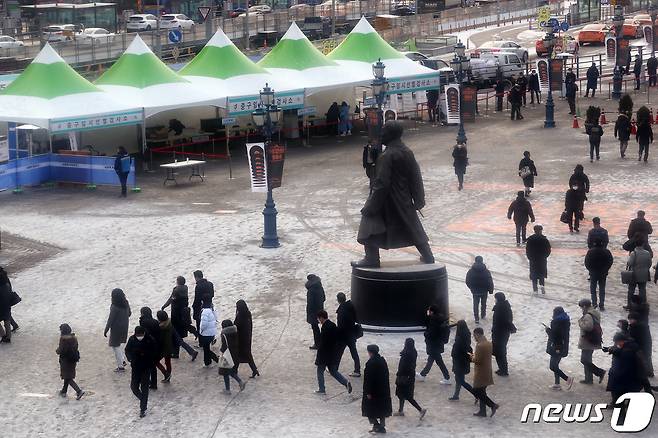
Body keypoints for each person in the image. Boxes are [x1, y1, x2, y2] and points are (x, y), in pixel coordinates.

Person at [351, 121, 434, 268]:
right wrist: (419, 199)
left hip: (387, 200)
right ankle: (428, 256)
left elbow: (381, 184)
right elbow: (416, 176)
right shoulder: (407, 151)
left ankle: (371, 258)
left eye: (383, 132)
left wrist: (371, 206)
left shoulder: (387, 156)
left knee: (369, 222)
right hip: (404, 199)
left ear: (391, 135)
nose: (381, 135)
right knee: (413, 226)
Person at [315, 310, 352, 395]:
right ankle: (345, 382)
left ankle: (322, 389)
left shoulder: (324, 328)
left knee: (320, 371)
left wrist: (318, 354)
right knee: (333, 371)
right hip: (332, 354)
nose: (318, 320)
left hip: (324, 355)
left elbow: (323, 343)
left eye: (318, 318)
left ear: (321, 318)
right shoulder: (332, 325)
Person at [161, 276, 198, 361]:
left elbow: (171, 300)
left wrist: (163, 306)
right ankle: (195, 334)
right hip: (184, 314)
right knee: (180, 332)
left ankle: (182, 352)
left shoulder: (176, 290)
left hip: (176, 315)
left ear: (178, 282)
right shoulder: (185, 288)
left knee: (175, 335)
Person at [605, 333, 645, 411]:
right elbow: (619, 351)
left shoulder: (628, 351)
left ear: (621, 341)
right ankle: (618, 403)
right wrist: (611, 349)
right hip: (631, 375)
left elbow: (625, 363)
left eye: (617, 342)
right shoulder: (629, 346)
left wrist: (617, 374)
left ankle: (618, 406)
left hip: (629, 376)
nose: (616, 344)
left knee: (618, 389)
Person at [125, 326, 158, 418]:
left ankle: (143, 408)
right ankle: (143, 399)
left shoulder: (150, 340)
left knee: (144, 388)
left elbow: (155, 351)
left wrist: (147, 356)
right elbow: (127, 350)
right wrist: (130, 358)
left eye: (141, 335)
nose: (139, 336)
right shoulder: (132, 339)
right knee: (134, 387)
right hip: (135, 367)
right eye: (138, 335)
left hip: (146, 367)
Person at [393, 338, 427, 419]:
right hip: (409, 377)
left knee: (407, 396)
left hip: (404, 377)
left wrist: (399, 374)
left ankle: (420, 410)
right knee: (402, 395)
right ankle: (400, 410)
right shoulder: (413, 353)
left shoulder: (406, 354)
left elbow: (403, 367)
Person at [362, 344, 392, 434]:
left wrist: (368, 391)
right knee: (382, 410)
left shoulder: (370, 363)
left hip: (373, 392)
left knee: (369, 409)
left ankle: (376, 425)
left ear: (370, 352)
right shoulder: (382, 361)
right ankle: (381, 426)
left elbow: (368, 379)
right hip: (383, 391)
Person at [470, 327, 499, 417]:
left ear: (478, 334)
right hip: (487, 371)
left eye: (474, 335)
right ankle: (482, 411)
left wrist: (471, 357)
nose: (474, 337)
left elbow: (477, 360)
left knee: (476, 391)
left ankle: (492, 405)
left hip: (480, 372)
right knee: (482, 392)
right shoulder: (488, 343)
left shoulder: (479, 346)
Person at [418, 305, 451, 384]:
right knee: (432, 359)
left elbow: (431, 333)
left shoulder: (434, 320)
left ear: (432, 311)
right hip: (438, 343)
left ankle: (447, 377)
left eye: (429, 311)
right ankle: (423, 374)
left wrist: (426, 334)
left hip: (434, 344)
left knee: (439, 361)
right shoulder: (440, 319)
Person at [577, 299, 606, 385]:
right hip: (593, 339)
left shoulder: (588, 315)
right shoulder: (595, 313)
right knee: (587, 359)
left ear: (585, 306)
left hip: (588, 341)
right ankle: (589, 379)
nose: (582, 309)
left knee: (584, 360)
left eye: (582, 307)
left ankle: (599, 372)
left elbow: (588, 327)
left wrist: (580, 322)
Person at [545, 307, 573, 390]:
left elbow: (555, 335)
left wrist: (548, 330)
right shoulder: (565, 321)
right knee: (555, 365)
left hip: (556, 346)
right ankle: (557, 384)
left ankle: (567, 379)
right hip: (562, 346)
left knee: (553, 366)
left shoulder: (556, 322)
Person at [103, 288, 131, 372]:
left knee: (115, 345)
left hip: (116, 328)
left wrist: (106, 330)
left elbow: (110, 319)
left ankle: (121, 365)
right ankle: (122, 361)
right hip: (125, 326)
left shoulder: (114, 306)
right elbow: (129, 313)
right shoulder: (126, 302)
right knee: (118, 345)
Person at [56, 323, 85, 400]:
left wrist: (57, 351)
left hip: (65, 360)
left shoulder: (63, 339)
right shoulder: (74, 337)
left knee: (68, 377)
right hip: (73, 359)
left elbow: (61, 350)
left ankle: (78, 391)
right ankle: (64, 391)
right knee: (68, 375)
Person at [336, 292, 361, 377]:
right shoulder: (351, 306)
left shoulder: (342, 311)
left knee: (338, 352)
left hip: (344, 336)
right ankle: (357, 370)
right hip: (351, 334)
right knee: (354, 352)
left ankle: (334, 368)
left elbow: (340, 325)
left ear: (338, 300)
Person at [585, 240, 613, 311]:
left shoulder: (590, 252)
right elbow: (610, 261)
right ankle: (601, 304)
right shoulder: (606, 251)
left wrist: (590, 270)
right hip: (603, 273)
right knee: (602, 289)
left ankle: (594, 303)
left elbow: (586, 262)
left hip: (593, 273)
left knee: (593, 289)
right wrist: (606, 269)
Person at [491, 292, 515, 377]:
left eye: (496, 298)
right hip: (503, 333)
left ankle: (503, 370)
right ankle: (502, 368)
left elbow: (503, 322)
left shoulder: (500, 309)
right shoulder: (505, 307)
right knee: (500, 351)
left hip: (500, 333)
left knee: (499, 352)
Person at [449, 320, 474, 400]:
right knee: (459, 380)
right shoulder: (466, 336)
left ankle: (476, 394)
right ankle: (456, 395)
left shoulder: (459, 339)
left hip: (459, 363)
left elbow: (457, 351)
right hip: (463, 362)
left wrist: (453, 355)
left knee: (460, 381)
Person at [218, 319, 246, 393]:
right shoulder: (235, 331)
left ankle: (229, 388)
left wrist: (221, 353)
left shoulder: (224, 334)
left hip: (227, 354)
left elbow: (224, 346)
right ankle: (239, 382)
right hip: (235, 353)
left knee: (225, 372)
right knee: (230, 371)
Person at [465, 256, 494, 323]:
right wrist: (490, 290)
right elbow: (490, 281)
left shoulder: (471, 271)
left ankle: (476, 318)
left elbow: (467, 281)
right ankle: (483, 315)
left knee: (475, 304)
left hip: (475, 291)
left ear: (475, 261)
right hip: (484, 291)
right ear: (482, 261)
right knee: (483, 304)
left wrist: (471, 288)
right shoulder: (486, 271)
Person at [234, 300, 259, 378]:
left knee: (238, 355)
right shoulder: (247, 313)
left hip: (241, 339)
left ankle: (235, 370)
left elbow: (236, 326)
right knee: (247, 355)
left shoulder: (240, 317)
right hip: (247, 338)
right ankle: (254, 370)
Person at [526, 224, 551, 294]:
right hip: (542, 259)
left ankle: (535, 289)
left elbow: (527, 249)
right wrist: (545, 256)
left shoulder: (530, 239)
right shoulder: (544, 239)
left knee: (534, 274)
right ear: (541, 231)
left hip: (533, 259)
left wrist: (530, 257)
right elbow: (548, 249)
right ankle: (542, 285)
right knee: (541, 273)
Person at [138, 307, 160, 390]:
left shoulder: (143, 322)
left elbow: (143, 334)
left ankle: (146, 382)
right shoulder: (155, 321)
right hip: (155, 346)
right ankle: (154, 383)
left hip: (147, 347)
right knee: (153, 366)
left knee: (145, 366)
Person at [628, 312, 653, 378]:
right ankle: (649, 372)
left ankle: (647, 372)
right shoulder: (638, 325)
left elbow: (636, 337)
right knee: (646, 359)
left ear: (635, 319)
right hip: (644, 346)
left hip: (642, 346)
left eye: (631, 319)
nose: (629, 321)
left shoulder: (638, 327)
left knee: (644, 359)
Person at [305, 273, 325, 350]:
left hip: (313, 312)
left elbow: (310, 303)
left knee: (315, 328)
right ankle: (322, 342)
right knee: (322, 327)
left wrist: (309, 312)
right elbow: (324, 298)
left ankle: (317, 343)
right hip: (320, 309)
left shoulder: (311, 290)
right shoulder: (320, 287)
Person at [192, 270, 214, 336]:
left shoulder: (198, 286)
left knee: (200, 323)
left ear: (196, 277)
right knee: (210, 322)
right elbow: (212, 295)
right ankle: (210, 337)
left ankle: (201, 341)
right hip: (210, 305)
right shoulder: (210, 284)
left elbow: (197, 299)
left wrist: (194, 307)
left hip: (200, 307)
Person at [199, 300, 219, 366]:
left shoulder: (205, 311)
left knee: (206, 349)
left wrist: (201, 330)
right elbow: (216, 320)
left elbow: (204, 324)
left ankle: (215, 359)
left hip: (206, 334)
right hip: (212, 333)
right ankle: (207, 361)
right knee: (206, 348)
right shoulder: (212, 310)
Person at [155, 310, 173, 383]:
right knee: (168, 362)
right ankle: (168, 375)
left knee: (155, 361)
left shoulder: (161, 328)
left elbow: (160, 339)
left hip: (164, 348)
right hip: (170, 346)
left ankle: (166, 374)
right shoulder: (170, 323)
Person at [0, 268, 13, 343]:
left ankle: (3, 335)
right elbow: (9, 285)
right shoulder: (4, 274)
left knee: (5, 316)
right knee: (6, 317)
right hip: (6, 297)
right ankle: (8, 337)